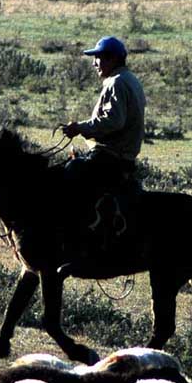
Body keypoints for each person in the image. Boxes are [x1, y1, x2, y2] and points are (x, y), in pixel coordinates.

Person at [58, 36, 146, 269]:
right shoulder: (130, 80)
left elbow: (113, 121)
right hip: (121, 156)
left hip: (111, 156)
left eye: (98, 58)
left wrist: (80, 128)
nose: (95, 63)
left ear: (112, 59)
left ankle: (80, 243)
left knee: (70, 174)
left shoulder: (116, 82)